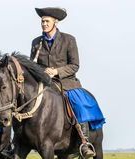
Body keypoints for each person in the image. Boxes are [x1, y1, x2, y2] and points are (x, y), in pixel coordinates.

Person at [30, 7, 105, 158]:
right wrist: (42, 72)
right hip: (45, 83)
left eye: (47, 21)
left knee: (80, 104)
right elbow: (33, 66)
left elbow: (74, 65)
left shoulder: (69, 39)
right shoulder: (36, 42)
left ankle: (84, 142)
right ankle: (17, 142)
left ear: (55, 22)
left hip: (67, 82)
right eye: (42, 21)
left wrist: (56, 71)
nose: (44, 24)